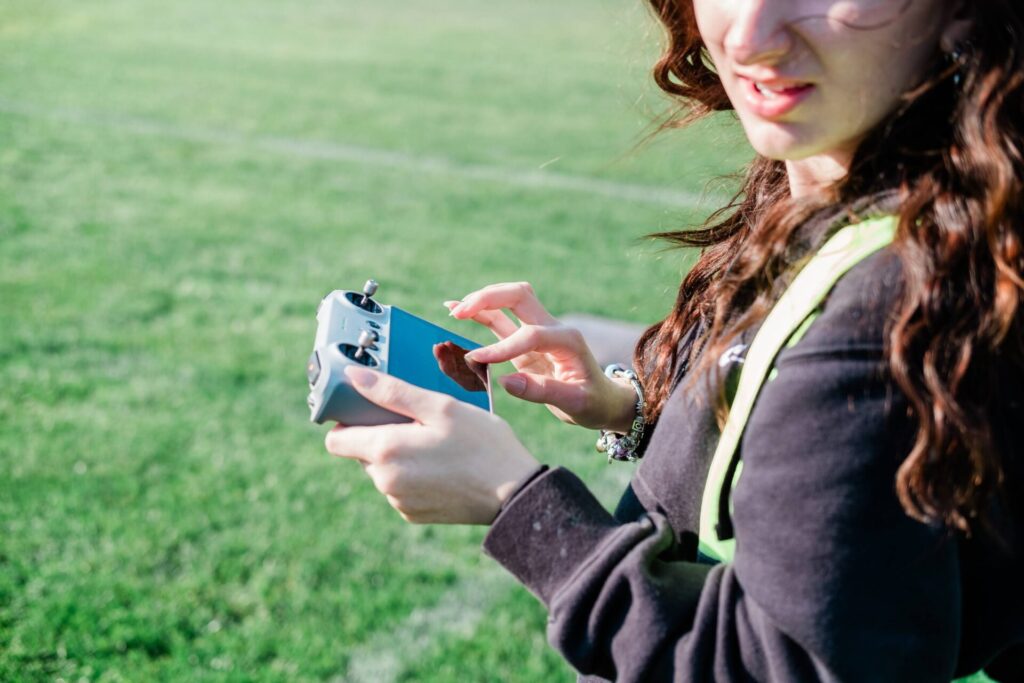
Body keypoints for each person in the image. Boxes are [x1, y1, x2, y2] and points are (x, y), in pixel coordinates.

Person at [324, 0, 1024, 680]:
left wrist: (514, 501)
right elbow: (798, 433)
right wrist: (632, 403)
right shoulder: (877, 183)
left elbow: (790, 661)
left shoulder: (885, 316)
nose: (750, 32)